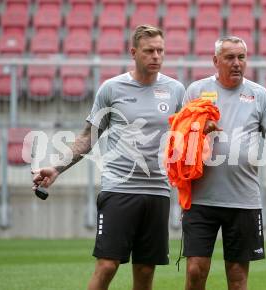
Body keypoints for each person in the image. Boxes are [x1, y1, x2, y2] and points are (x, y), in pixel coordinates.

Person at [31, 25, 185, 290]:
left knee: (146, 269)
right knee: (107, 265)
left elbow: (185, 135)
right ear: (133, 52)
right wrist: (57, 167)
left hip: (158, 191)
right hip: (119, 189)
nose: (156, 56)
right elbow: (87, 137)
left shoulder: (176, 90)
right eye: (149, 51)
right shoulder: (111, 89)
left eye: (160, 50)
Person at [181, 36, 266, 290]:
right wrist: (198, 129)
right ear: (215, 61)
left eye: (241, 57)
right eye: (230, 57)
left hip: (243, 199)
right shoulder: (195, 91)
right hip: (200, 199)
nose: (237, 63)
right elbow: (179, 138)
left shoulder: (259, 95)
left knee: (238, 276)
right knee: (195, 269)